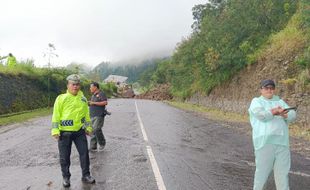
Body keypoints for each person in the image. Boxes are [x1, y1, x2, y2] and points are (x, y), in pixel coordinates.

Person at [248, 79, 297, 190]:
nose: (269, 90)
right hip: (264, 143)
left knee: (282, 175)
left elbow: (293, 114)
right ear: (261, 89)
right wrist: (274, 112)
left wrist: (285, 115)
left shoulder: (280, 101)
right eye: (266, 88)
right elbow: (261, 115)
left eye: (272, 88)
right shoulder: (256, 101)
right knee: (261, 175)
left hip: (282, 143)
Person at [51, 74, 95, 188]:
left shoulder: (83, 99)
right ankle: (66, 177)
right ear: (68, 85)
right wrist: (55, 130)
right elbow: (56, 115)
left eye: (77, 84)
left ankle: (86, 175)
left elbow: (86, 116)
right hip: (64, 133)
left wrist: (88, 128)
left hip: (79, 132)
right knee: (64, 157)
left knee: (84, 154)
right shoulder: (61, 98)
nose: (75, 87)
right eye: (73, 84)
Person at [88, 81, 108, 152]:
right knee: (93, 131)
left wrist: (93, 103)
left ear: (95, 87)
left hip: (99, 115)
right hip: (92, 115)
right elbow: (92, 104)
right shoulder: (93, 95)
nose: (90, 88)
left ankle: (102, 143)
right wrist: (89, 103)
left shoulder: (101, 93)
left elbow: (105, 102)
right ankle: (93, 147)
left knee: (96, 129)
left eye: (91, 87)